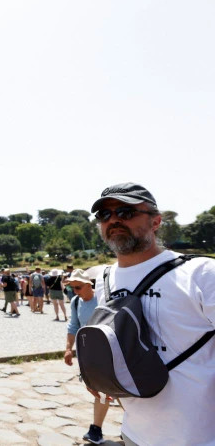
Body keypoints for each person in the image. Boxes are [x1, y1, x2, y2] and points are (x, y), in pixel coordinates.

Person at [89, 182, 215, 445]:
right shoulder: (105, 278)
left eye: (125, 212)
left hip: (199, 435)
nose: (113, 220)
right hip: (135, 433)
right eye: (104, 215)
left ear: (156, 222)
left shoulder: (202, 274)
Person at [63, 269, 109, 444]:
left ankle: (96, 430)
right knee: (110, 390)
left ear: (89, 285)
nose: (75, 291)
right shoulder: (75, 302)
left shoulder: (103, 299)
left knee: (104, 390)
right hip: (88, 354)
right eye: (72, 288)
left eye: (78, 287)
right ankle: (131, 425)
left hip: (108, 353)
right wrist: (69, 349)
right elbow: (73, 326)